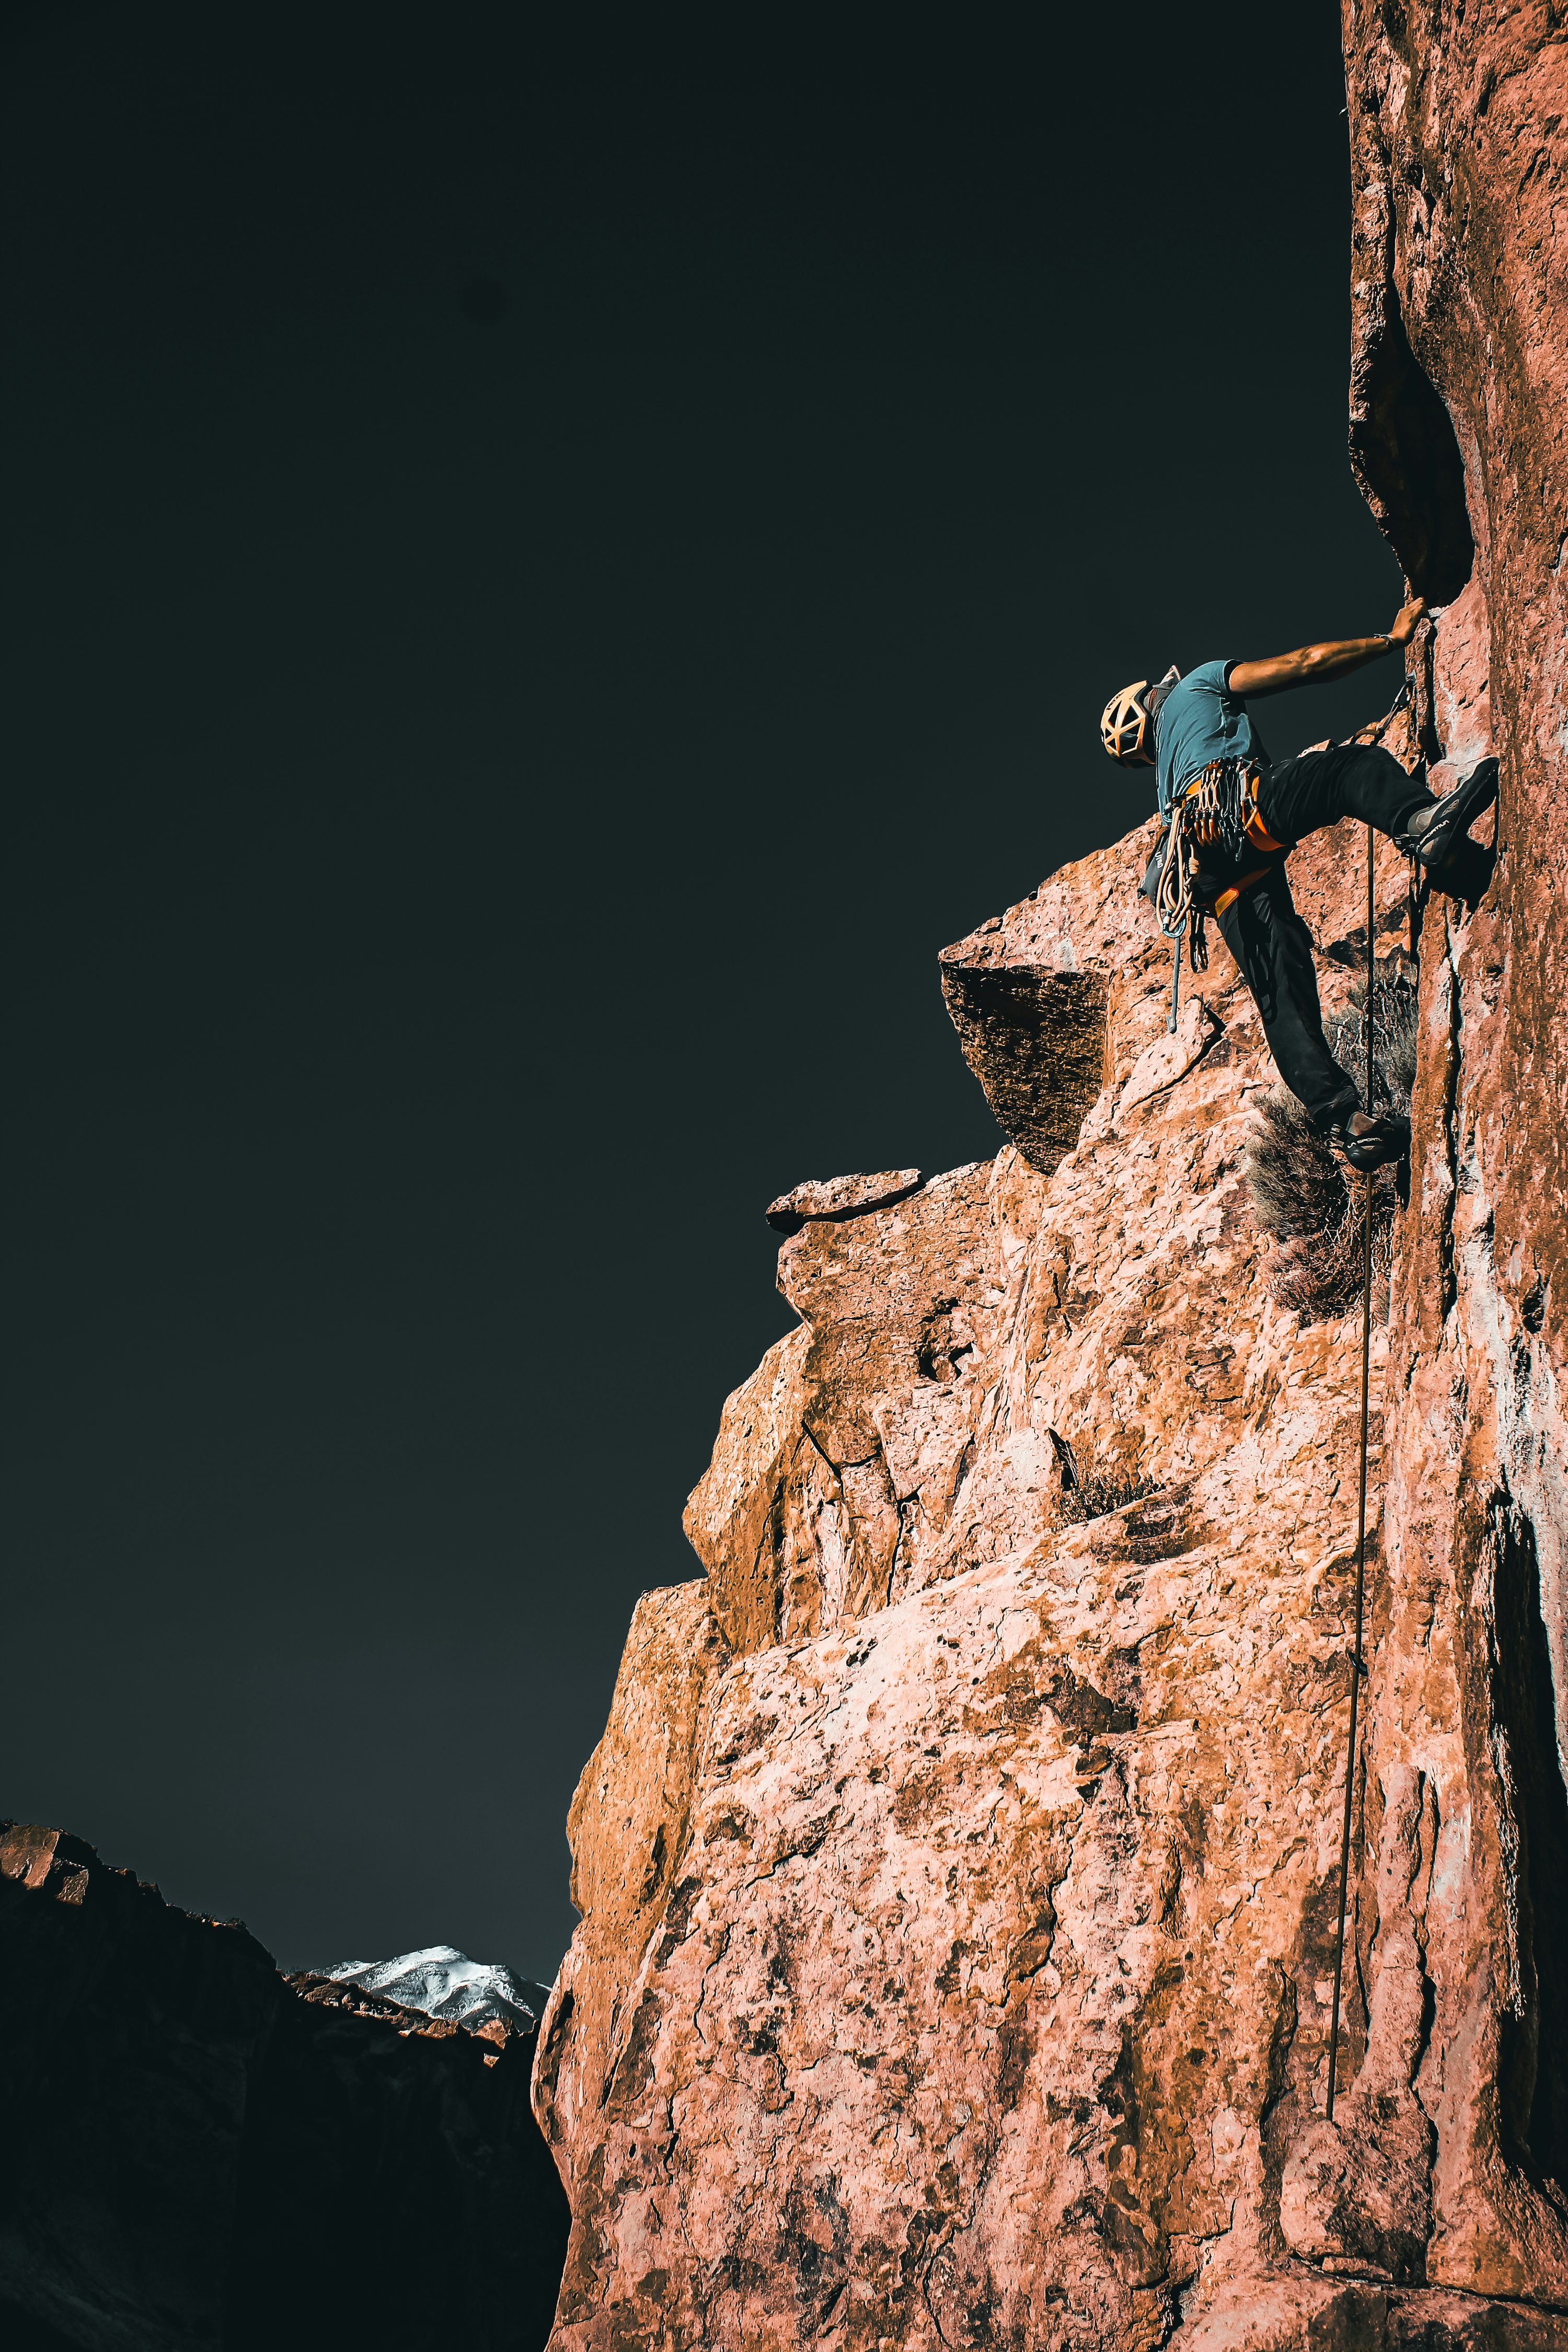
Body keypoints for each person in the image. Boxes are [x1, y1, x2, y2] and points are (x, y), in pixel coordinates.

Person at [1100, 596, 1498, 1170]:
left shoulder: (1165, 780)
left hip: (1210, 872)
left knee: (1282, 998)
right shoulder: (1199, 687)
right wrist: (1389, 641)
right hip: (1238, 807)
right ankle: (1423, 825)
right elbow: (1304, 663)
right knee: (1348, 771)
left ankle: (1346, 1121)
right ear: (1156, 693)